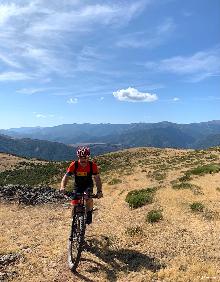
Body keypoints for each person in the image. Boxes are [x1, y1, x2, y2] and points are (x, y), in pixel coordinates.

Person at [60, 146, 103, 224]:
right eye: (81, 157)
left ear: (88, 157)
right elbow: (66, 177)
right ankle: (73, 222)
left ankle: (89, 213)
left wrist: (99, 191)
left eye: (85, 157)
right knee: (75, 203)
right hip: (78, 186)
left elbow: (97, 179)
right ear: (78, 157)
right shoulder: (74, 165)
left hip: (88, 185)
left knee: (88, 198)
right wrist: (62, 187)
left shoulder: (92, 165)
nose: (83, 159)